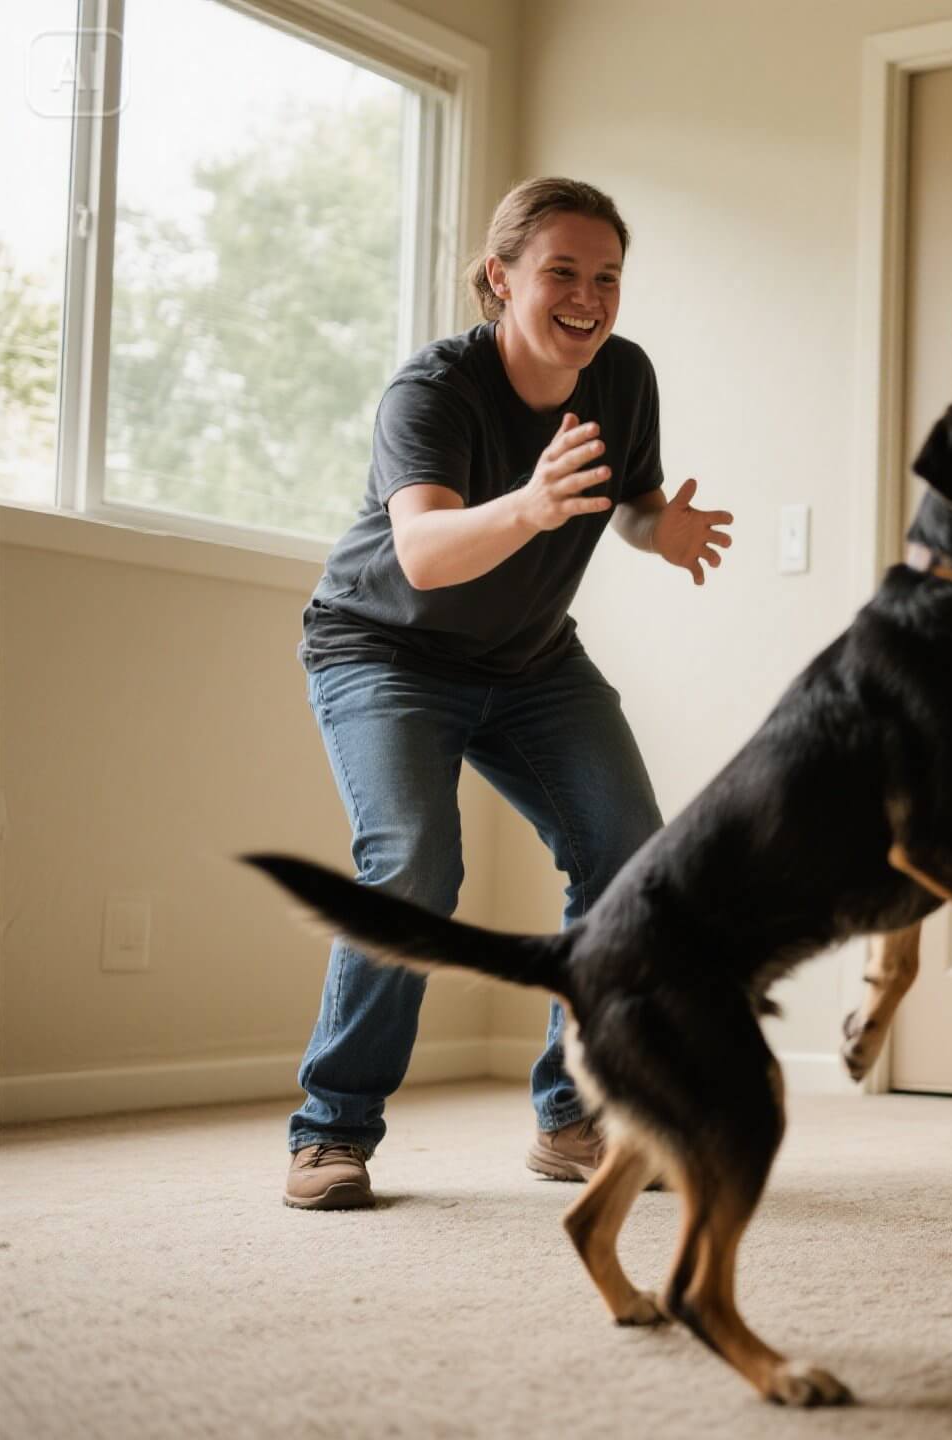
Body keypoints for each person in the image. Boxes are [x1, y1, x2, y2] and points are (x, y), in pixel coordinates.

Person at [282, 177, 730, 1210]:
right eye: (562, 272)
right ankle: (331, 1132)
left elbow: (625, 499)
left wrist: (658, 530)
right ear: (501, 277)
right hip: (384, 651)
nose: (589, 296)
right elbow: (426, 554)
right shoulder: (432, 390)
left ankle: (571, 1117)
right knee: (412, 871)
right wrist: (527, 507)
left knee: (631, 861)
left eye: (607, 276)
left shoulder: (622, 377)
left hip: (530, 662)